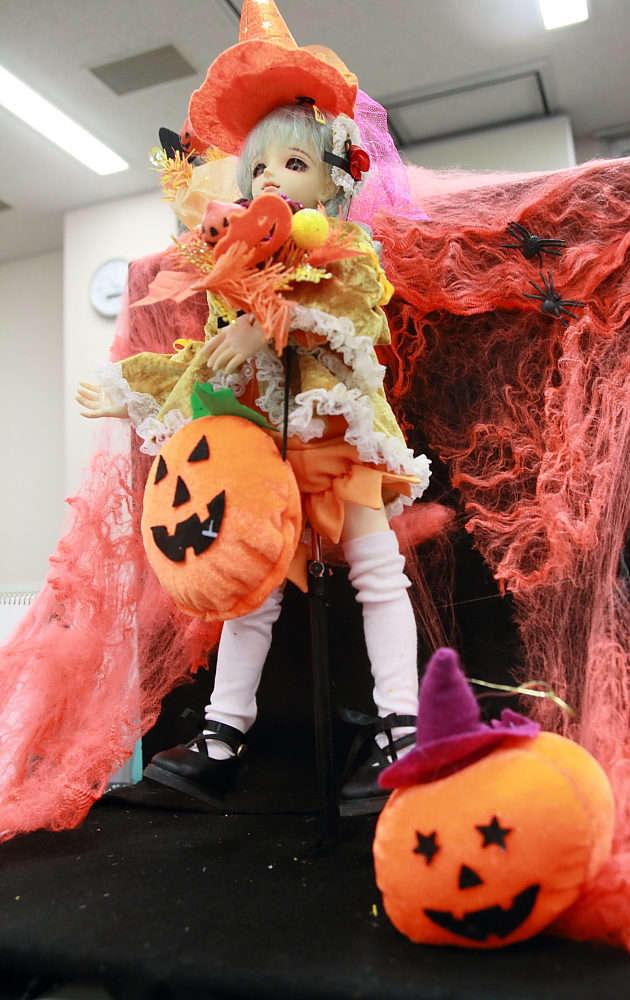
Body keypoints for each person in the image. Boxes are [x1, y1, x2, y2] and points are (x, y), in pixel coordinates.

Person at [76, 14, 430, 812]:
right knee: (253, 589)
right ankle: (222, 738)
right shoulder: (230, 271)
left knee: (377, 575)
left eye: (294, 163)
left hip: (336, 437)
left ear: (332, 182)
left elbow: (359, 322)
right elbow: (203, 359)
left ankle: (401, 728)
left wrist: (274, 320)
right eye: (259, 165)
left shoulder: (348, 254)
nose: (271, 177)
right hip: (261, 454)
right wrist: (135, 386)